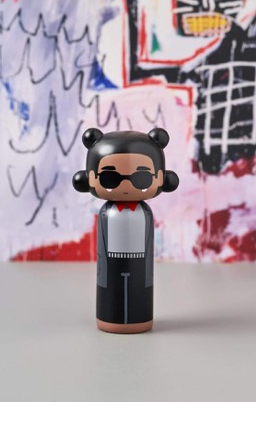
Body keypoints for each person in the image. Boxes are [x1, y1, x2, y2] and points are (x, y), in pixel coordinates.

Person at [73, 127, 179, 333]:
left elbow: (148, 244)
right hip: (110, 264)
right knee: (111, 296)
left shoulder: (144, 213)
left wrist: (147, 273)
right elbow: (103, 244)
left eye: (141, 177)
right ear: (90, 178)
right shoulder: (107, 213)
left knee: (139, 295)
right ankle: (109, 318)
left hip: (141, 265)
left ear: (161, 178)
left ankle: (139, 318)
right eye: (110, 178)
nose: (126, 184)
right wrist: (103, 271)